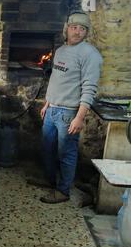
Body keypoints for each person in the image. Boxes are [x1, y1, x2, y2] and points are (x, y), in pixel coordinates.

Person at [39, 11, 103, 204]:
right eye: (74, 27)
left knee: (66, 153)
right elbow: (56, 80)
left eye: (82, 29)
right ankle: (51, 181)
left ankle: (63, 191)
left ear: (86, 33)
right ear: (66, 29)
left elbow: (89, 89)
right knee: (47, 148)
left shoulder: (90, 55)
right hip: (52, 110)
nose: (77, 32)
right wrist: (47, 103)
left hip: (68, 113)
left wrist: (79, 117)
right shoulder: (60, 51)